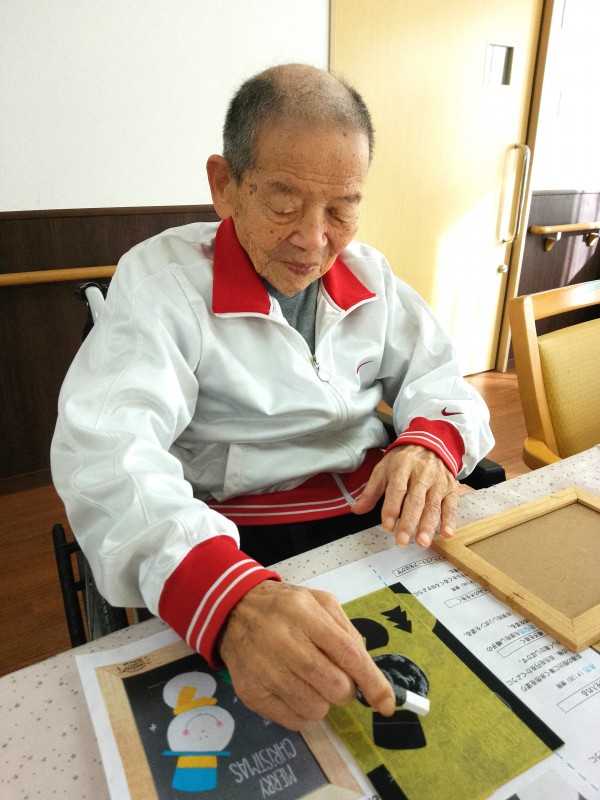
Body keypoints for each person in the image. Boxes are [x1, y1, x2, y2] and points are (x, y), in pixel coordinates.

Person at [51, 63, 494, 731]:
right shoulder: (164, 285)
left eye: (342, 207)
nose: (315, 239)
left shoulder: (370, 275)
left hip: (375, 517)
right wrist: (227, 599)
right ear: (224, 186)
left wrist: (429, 447)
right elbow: (108, 450)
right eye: (284, 202)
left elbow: (439, 378)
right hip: (237, 537)